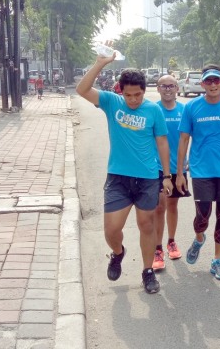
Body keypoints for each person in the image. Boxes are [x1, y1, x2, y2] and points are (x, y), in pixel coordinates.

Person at [76, 52, 173, 294]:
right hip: (118, 177)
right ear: (121, 91)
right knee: (111, 229)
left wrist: (168, 176)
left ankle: (147, 271)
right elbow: (82, 89)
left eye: (138, 94)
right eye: (128, 95)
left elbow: (162, 143)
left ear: (144, 90)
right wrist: (100, 63)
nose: (133, 99)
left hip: (148, 178)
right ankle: (118, 253)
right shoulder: (111, 102)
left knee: (146, 224)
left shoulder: (153, 110)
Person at [175, 65, 220, 280]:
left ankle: (217, 261)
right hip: (200, 171)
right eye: (209, 81)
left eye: (217, 80)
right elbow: (184, 140)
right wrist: (179, 173)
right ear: (203, 83)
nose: (213, 84)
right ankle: (198, 239)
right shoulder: (192, 107)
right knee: (202, 216)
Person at [151, 75, 191, 271]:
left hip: (178, 168)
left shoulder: (185, 110)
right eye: (163, 86)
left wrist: (187, 160)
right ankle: (157, 249)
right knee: (159, 206)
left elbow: (189, 136)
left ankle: (171, 242)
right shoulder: (153, 109)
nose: (168, 89)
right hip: (158, 168)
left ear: (177, 88)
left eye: (171, 86)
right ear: (158, 89)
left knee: (173, 205)